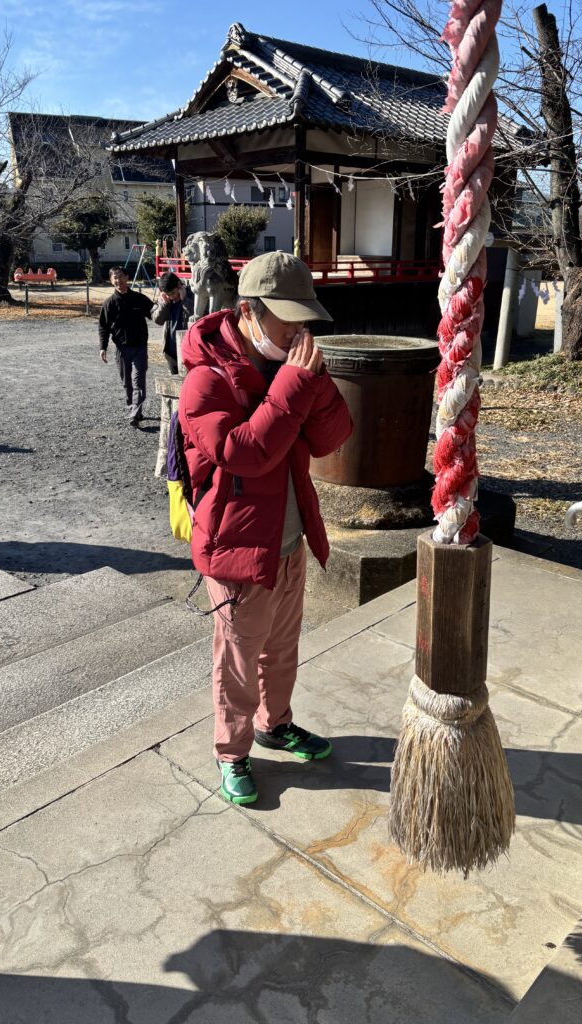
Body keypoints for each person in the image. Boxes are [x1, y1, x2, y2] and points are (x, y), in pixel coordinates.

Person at [179, 251, 353, 806]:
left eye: (305, 319)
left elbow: (331, 439)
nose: (299, 330)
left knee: (281, 650)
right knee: (236, 659)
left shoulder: (291, 371)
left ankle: (275, 723)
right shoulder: (206, 381)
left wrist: (314, 382)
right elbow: (243, 453)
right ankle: (231, 752)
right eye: (288, 319)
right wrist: (294, 387)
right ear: (248, 313)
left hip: (288, 539)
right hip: (236, 547)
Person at [98, 266, 154, 426]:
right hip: (121, 349)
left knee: (138, 380)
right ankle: (134, 410)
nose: (118, 280)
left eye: (121, 276)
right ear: (111, 281)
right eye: (114, 277)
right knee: (126, 383)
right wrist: (103, 347)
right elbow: (103, 327)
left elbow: (155, 313)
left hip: (140, 348)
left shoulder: (139, 299)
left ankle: (134, 415)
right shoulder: (109, 303)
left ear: (127, 277)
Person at [151, 270, 188, 375]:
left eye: (173, 293)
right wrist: (164, 304)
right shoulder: (164, 299)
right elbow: (158, 320)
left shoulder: (191, 295)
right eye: (168, 294)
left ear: (179, 285)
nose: (171, 297)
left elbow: (197, 316)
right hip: (170, 350)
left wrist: (185, 299)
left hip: (188, 349)